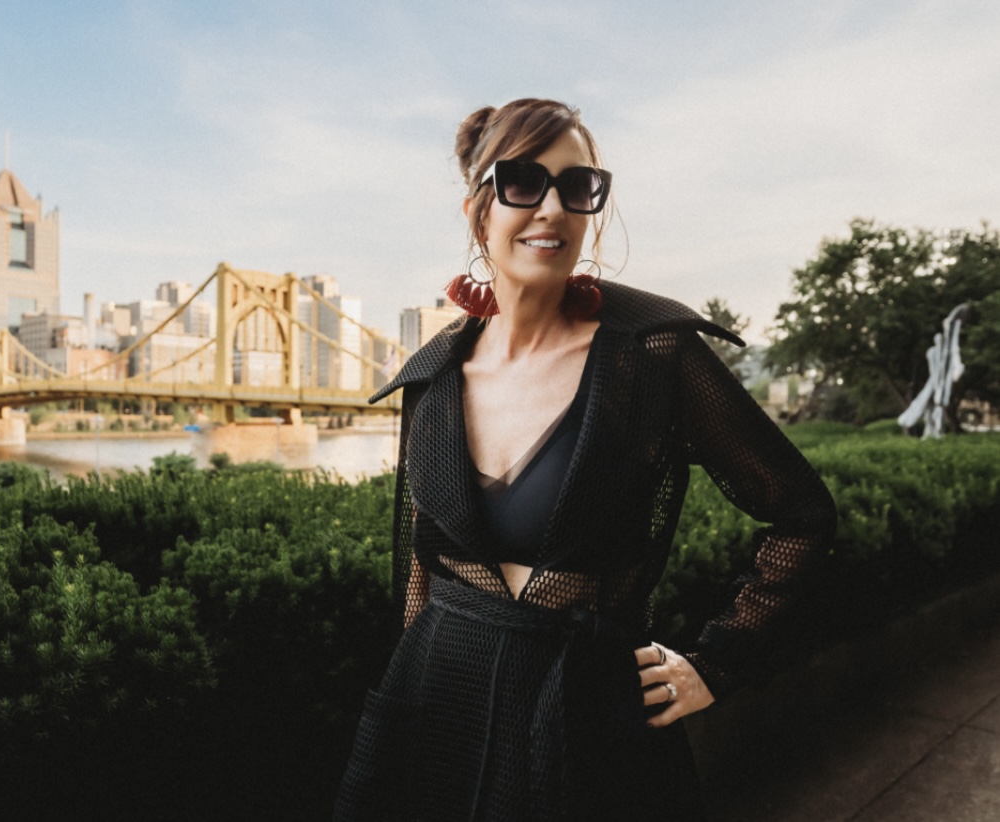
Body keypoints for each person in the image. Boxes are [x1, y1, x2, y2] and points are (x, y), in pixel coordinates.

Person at [334, 99, 837, 822]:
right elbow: (425, 561)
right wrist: (401, 691)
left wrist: (717, 663)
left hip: (590, 717)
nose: (552, 209)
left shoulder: (652, 354)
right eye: (523, 182)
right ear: (479, 211)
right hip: (437, 701)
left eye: (578, 187)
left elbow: (802, 513)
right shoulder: (431, 376)